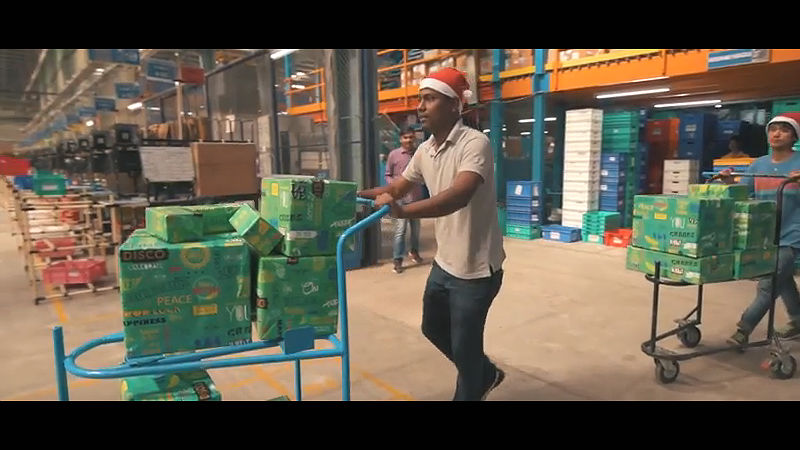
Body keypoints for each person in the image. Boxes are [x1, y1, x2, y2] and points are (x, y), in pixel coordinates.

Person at [358, 67, 507, 401]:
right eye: (420, 100)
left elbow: (459, 195)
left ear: (454, 105)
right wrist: (346, 193)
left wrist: (405, 211)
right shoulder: (426, 150)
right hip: (445, 264)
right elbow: (397, 186)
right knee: (432, 328)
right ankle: (485, 373)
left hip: (476, 269)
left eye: (429, 99)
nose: (420, 107)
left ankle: (476, 378)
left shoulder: (475, 143)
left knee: (465, 352)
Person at [722, 112, 800, 346]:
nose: (776, 134)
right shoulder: (758, 164)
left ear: (794, 136)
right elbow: (745, 194)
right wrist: (729, 184)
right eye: (772, 129)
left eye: (784, 130)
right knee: (783, 280)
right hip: (765, 236)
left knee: (769, 282)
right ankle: (798, 320)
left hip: (792, 234)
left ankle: (743, 329)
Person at [385, 127, 425, 274]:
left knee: (416, 230)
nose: (408, 140)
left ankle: (414, 252)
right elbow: (388, 174)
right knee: (400, 231)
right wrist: (394, 186)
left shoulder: (419, 154)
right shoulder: (393, 155)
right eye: (406, 138)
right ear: (400, 139)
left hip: (415, 199)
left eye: (411, 138)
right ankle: (397, 260)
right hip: (400, 200)